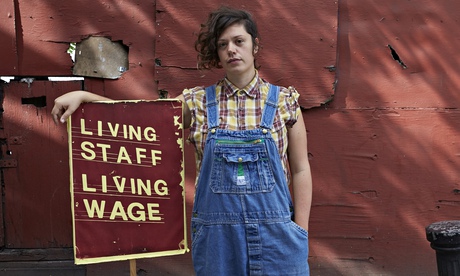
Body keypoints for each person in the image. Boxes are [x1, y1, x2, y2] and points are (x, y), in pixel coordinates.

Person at [52, 6, 312, 275]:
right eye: (223, 45)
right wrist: (86, 99)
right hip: (218, 241)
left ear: (254, 46)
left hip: (279, 238)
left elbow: (301, 168)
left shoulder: (283, 102)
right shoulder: (198, 102)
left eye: (238, 41)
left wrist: (300, 231)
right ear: (217, 53)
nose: (231, 50)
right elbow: (141, 120)